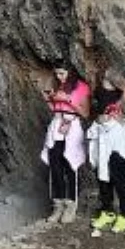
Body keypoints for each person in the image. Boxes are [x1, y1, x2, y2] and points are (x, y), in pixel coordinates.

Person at [88, 69, 125, 234]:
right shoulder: (99, 76)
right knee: (103, 173)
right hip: (102, 131)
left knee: (118, 175)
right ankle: (108, 212)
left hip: (115, 132)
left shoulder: (111, 73)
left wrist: (115, 107)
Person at [39, 64, 91, 224]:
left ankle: (70, 206)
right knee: (54, 167)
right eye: (57, 74)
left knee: (70, 167)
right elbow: (55, 109)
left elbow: (86, 113)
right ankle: (57, 205)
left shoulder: (81, 87)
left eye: (62, 73)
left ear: (71, 72)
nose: (60, 77)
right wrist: (47, 98)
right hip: (57, 127)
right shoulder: (58, 85)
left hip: (72, 126)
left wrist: (67, 99)